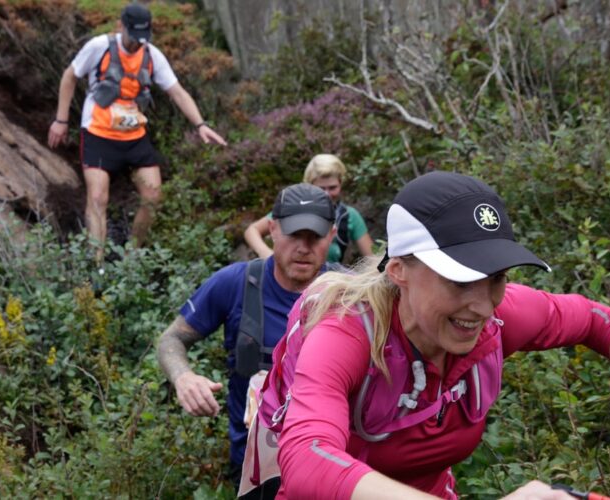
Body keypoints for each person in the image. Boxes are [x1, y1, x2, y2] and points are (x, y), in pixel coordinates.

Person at [241, 172, 610, 499]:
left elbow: (591, 318)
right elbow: (310, 461)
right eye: (460, 278)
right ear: (399, 269)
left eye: (496, 278)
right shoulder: (347, 333)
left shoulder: (495, 321)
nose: (481, 305)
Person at [157, 184, 337, 485]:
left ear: (331, 236)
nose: (303, 247)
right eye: (294, 234)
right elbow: (171, 339)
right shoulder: (234, 283)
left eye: (315, 236)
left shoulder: (350, 293)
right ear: (273, 230)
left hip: (330, 466)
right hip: (253, 469)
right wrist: (184, 378)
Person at [47, 3, 227, 260]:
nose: (137, 44)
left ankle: (131, 256)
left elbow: (177, 91)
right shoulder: (99, 47)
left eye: (143, 38)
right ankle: (95, 264)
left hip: (133, 135)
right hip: (98, 132)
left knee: (153, 194)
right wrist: (61, 120)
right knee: (98, 197)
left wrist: (201, 125)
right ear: (122, 27)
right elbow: (69, 76)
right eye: (133, 37)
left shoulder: (152, 55)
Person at [244, 154, 374, 266]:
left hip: (327, 284)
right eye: (321, 188)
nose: (327, 194)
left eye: (332, 187)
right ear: (309, 185)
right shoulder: (293, 210)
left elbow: (372, 259)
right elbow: (252, 230)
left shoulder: (349, 216)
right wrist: (266, 254)